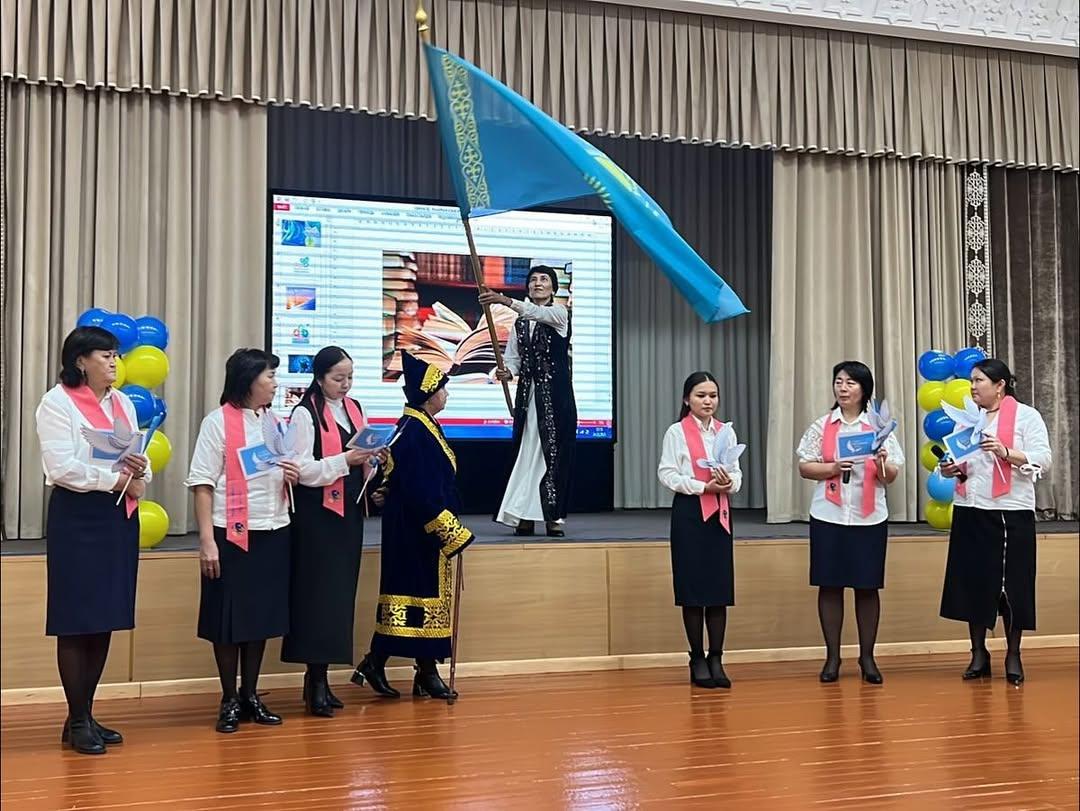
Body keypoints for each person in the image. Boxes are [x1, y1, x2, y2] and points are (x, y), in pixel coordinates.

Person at [35, 326, 151, 754]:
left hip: (118, 514)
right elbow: (61, 468)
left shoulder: (122, 403)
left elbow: (133, 455)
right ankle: (78, 718)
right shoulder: (57, 402)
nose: (114, 362)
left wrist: (140, 469)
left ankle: (83, 713)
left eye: (116, 355)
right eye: (105, 355)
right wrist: (116, 479)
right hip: (78, 517)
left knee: (104, 617)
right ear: (80, 360)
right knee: (75, 619)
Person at [185, 348, 300, 732]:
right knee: (228, 618)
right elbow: (202, 483)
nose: (275, 383)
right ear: (248, 380)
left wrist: (291, 474)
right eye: (270, 376)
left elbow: (282, 468)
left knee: (260, 618)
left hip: (273, 529)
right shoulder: (217, 422)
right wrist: (207, 541)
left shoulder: (276, 422)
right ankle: (229, 698)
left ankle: (251, 694)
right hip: (230, 533)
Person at [351, 351, 474, 701]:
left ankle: (418, 671)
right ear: (429, 394)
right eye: (443, 389)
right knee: (415, 597)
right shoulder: (416, 431)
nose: (446, 395)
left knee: (419, 600)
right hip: (418, 530)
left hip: (413, 527)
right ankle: (390, 665)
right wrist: (451, 532)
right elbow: (421, 490)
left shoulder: (418, 425)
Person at [281, 346, 383, 717]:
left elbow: (362, 461)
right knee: (316, 596)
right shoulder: (304, 413)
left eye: (350, 377)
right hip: (316, 516)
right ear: (320, 377)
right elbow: (300, 470)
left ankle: (322, 678)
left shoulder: (355, 408)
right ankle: (314, 680)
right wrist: (346, 460)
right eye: (338, 378)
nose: (345, 385)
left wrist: (374, 461)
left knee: (339, 595)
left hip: (348, 512)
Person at [939, 359, 1051, 686]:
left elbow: (1043, 459)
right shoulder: (966, 419)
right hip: (970, 508)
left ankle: (1013, 653)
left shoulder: (1027, 416)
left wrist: (1005, 451)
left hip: (1009, 511)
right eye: (972, 381)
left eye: (979, 381)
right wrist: (949, 468)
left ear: (1000, 385)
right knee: (973, 582)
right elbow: (960, 460)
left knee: (1012, 585)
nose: (972, 387)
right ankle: (978, 653)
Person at [796, 361, 902, 685]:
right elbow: (804, 466)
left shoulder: (878, 428)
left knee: (867, 587)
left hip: (869, 517)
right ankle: (832, 657)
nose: (843, 388)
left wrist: (882, 461)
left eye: (850, 383)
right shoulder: (823, 425)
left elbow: (891, 475)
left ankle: (867, 657)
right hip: (828, 515)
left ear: (864, 389)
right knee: (829, 585)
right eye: (839, 382)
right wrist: (831, 467)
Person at [657, 372, 741, 689]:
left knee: (718, 589)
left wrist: (729, 483)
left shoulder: (725, 432)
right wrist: (702, 486)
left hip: (720, 513)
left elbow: (737, 473)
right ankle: (696, 657)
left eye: (713, 395)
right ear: (687, 399)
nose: (708, 401)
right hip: (690, 513)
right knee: (693, 589)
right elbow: (667, 473)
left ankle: (717, 657)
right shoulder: (676, 431)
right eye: (701, 395)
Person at [479, 265, 577, 537]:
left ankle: (552, 517)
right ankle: (523, 514)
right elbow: (514, 359)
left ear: (553, 288)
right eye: (533, 279)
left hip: (556, 399)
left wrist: (503, 300)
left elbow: (536, 312)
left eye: (544, 279)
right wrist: (507, 372)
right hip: (528, 397)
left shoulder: (559, 314)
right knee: (525, 455)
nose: (538, 283)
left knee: (552, 456)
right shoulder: (520, 324)